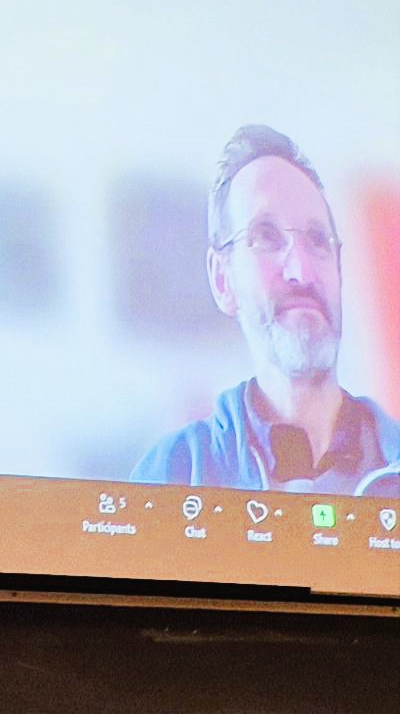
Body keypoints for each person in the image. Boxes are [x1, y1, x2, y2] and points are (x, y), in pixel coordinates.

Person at [132, 125, 381, 491]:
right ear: (222, 280)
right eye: (265, 236)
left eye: (316, 240)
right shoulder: (173, 475)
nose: (301, 271)